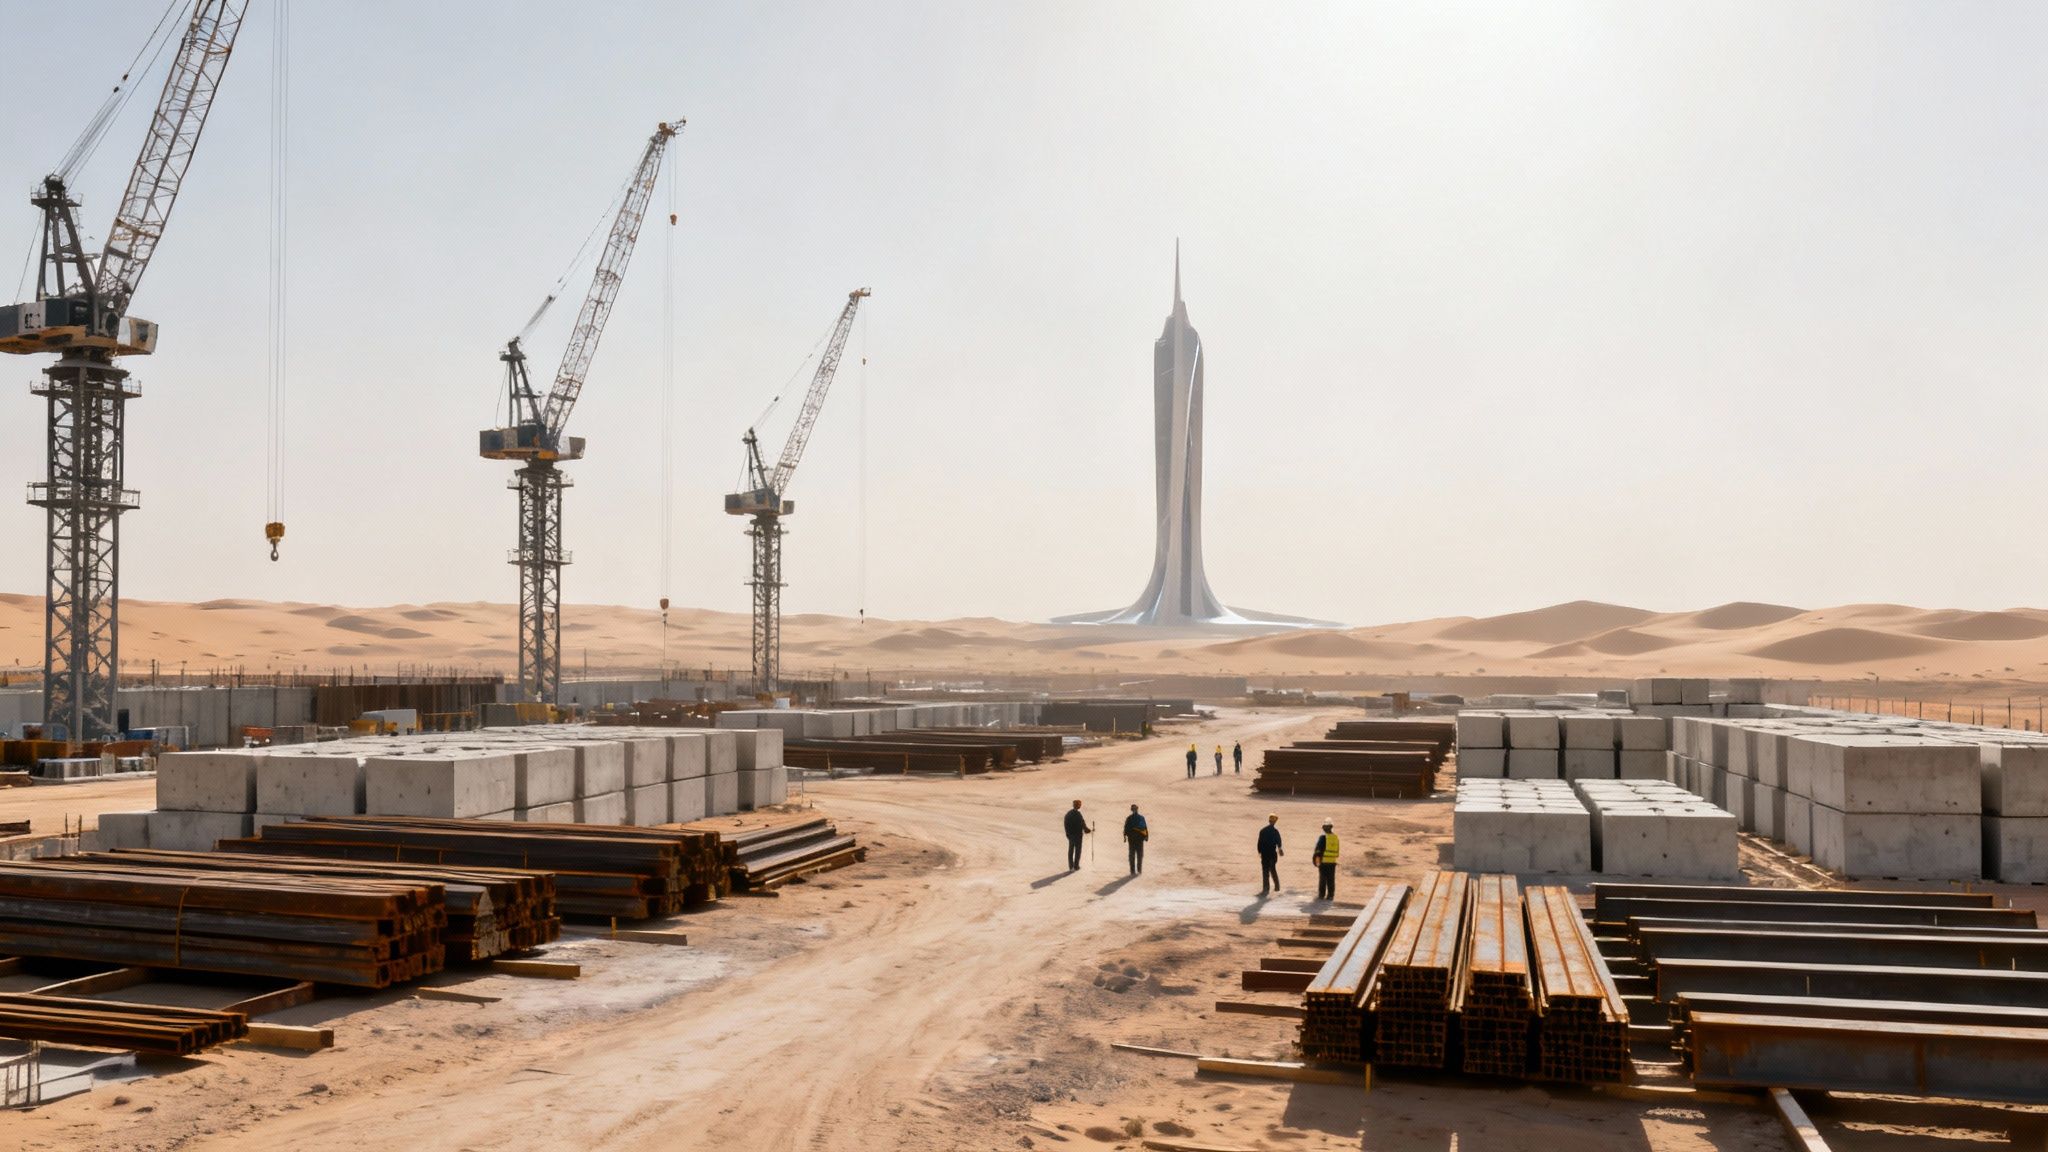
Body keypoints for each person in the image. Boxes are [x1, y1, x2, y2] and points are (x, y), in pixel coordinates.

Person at [1312, 820, 1340, 901]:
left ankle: (1321, 895)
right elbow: (1337, 851)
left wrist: (1316, 861)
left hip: (1324, 862)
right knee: (1331, 879)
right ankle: (1331, 895)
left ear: (1324, 828)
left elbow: (1318, 851)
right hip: (1332, 862)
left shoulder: (1323, 837)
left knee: (1323, 879)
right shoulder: (1335, 837)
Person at [1257, 814, 1283, 895]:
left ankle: (1266, 889)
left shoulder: (1262, 831)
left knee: (1265, 871)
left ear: (1269, 821)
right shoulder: (1275, 832)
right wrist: (1280, 849)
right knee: (1273, 870)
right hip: (1272, 854)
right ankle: (1277, 886)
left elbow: (1259, 843)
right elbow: (1279, 843)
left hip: (1265, 854)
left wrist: (1260, 852)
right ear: (1275, 822)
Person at [1064, 800, 1093, 871]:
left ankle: (1071, 866)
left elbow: (1065, 824)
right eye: (1079, 804)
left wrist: (1068, 834)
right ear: (1078, 805)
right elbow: (1082, 824)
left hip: (1071, 836)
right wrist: (1088, 830)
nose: (1080, 805)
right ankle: (1076, 866)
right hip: (1077, 836)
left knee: (1071, 850)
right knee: (1078, 851)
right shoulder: (1078, 815)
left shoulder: (1068, 814)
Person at [1123, 803, 1149, 875]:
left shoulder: (1137, 818)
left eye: (1135, 809)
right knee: (1135, 855)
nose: (1134, 810)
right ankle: (1134, 870)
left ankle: (1137, 870)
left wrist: (1125, 835)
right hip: (1135, 839)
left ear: (1136, 809)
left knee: (1136, 855)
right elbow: (1126, 828)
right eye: (1133, 809)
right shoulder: (1136, 818)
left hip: (1136, 839)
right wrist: (1146, 836)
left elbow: (1144, 827)